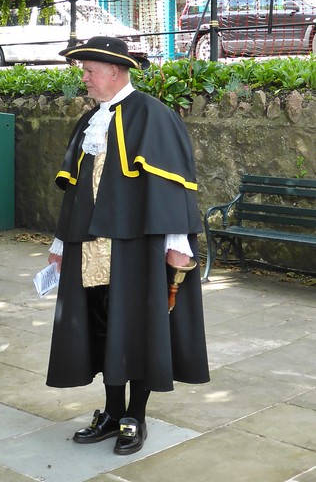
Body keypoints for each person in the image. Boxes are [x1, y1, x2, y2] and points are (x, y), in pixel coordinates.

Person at [46, 36, 209, 456]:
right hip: (90, 246)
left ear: (114, 71)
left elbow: (174, 186)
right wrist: (61, 242)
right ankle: (111, 411)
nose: (84, 79)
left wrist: (178, 244)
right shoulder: (89, 121)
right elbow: (75, 190)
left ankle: (134, 415)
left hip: (137, 247)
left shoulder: (155, 115)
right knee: (103, 329)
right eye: (84, 71)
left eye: (89, 71)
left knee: (137, 328)